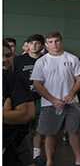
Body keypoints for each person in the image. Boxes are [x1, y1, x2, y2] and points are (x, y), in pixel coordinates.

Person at [31, 31, 80, 166]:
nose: (54, 44)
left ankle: (79, 159)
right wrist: (53, 100)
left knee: (74, 132)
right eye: (51, 42)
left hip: (73, 103)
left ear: (61, 41)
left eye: (57, 41)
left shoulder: (72, 59)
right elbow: (37, 84)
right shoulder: (42, 62)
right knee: (50, 134)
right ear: (46, 45)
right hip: (49, 104)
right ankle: (49, 162)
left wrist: (71, 94)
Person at [12, 34, 45, 165]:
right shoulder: (18, 60)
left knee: (38, 129)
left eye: (37, 43)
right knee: (21, 129)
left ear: (42, 46)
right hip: (22, 100)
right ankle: (19, 154)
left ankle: (36, 156)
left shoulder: (45, 60)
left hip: (40, 98)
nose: (34, 45)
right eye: (31, 43)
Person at [3, 40, 35, 166]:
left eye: (7, 55)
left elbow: (28, 115)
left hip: (17, 138)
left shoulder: (17, 79)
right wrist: (7, 111)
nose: (4, 60)